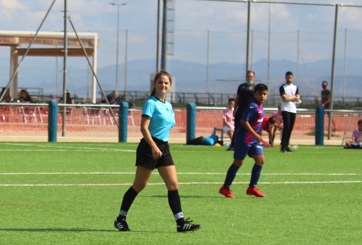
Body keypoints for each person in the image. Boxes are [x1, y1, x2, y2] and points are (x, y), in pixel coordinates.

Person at [113, 70, 201, 233]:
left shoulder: (168, 105)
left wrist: (160, 147)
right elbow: (144, 128)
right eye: (160, 82)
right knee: (139, 185)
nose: (163, 85)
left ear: (170, 86)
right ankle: (120, 219)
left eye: (166, 83)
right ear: (155, 84)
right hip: (149, 147)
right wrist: (153, 147)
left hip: (164, 148)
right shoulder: (151, 103)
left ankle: (180, 222)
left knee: (173, 185)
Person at [220, 84, 268, 198]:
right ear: (255, 94)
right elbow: (243, 121)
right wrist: (255, 134)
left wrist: (259, 135)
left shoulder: (261, 108)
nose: (262, 96)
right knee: (238, 162)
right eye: (260, 94)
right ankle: (225, 188)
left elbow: (257, 123)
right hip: (244, 138)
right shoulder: (252, 106)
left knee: (260, 160)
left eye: (264, 94)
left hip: (253, 140)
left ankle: (252, 187)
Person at [231, 70, 256, 149]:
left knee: (250, 128)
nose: (249, 78)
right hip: (241, 110)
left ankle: (249, 144)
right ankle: (233, 145)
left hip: (250, 111)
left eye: (251, 76)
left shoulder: (255, 88)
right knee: (237, 128)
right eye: (248, 76)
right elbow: (237, 98)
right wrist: (235, 108)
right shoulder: (241, 86)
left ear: (253, 77)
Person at [278, 71, 301, 152]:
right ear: (285, 78)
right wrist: (293, 97)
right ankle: (283, 146)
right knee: (286, 127)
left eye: (290, 77)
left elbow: (298, 98)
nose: (289, 78)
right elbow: (285, 98)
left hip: (293, 109)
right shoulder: (283, 87)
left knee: (290, 128)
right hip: (285, 109)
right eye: (288, 77)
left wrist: (291, 97)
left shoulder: (295, 87)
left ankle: (286, 145)